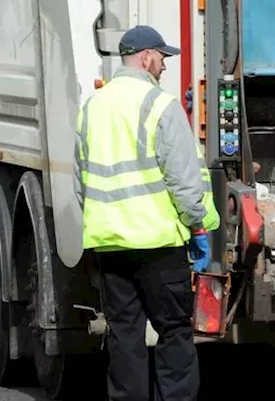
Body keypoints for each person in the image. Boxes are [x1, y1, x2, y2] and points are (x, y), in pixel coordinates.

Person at [75, 25, 220, 401]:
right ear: (145, 57)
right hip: (158, 245)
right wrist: (198, 227)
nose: (164, 67)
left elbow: (81, 180)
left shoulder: (92, 106)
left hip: (110, 247)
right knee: (174, 334)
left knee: (125, 337)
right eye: (162, 58)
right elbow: (184, 181)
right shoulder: (160, 105)